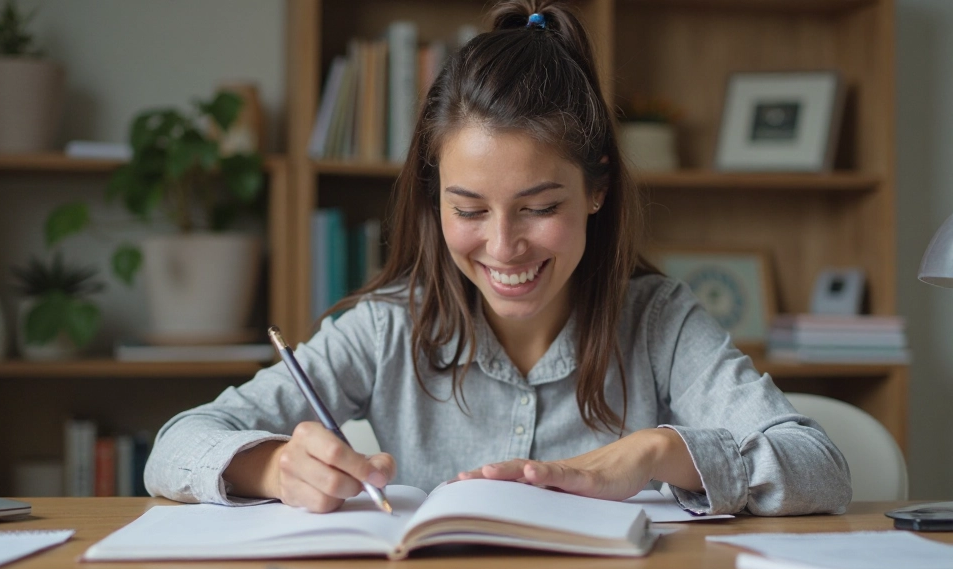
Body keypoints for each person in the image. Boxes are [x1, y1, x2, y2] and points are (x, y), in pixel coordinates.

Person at [145, 0, 852, 516]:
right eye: (469, 209)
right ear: (434, 200)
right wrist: (272, 466)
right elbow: (176, 445)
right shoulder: (388, 329)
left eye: (540, 208)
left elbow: (820, 468)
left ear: (598, 187)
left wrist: (653, 453)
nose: (504, 246)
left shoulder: (660, 323)